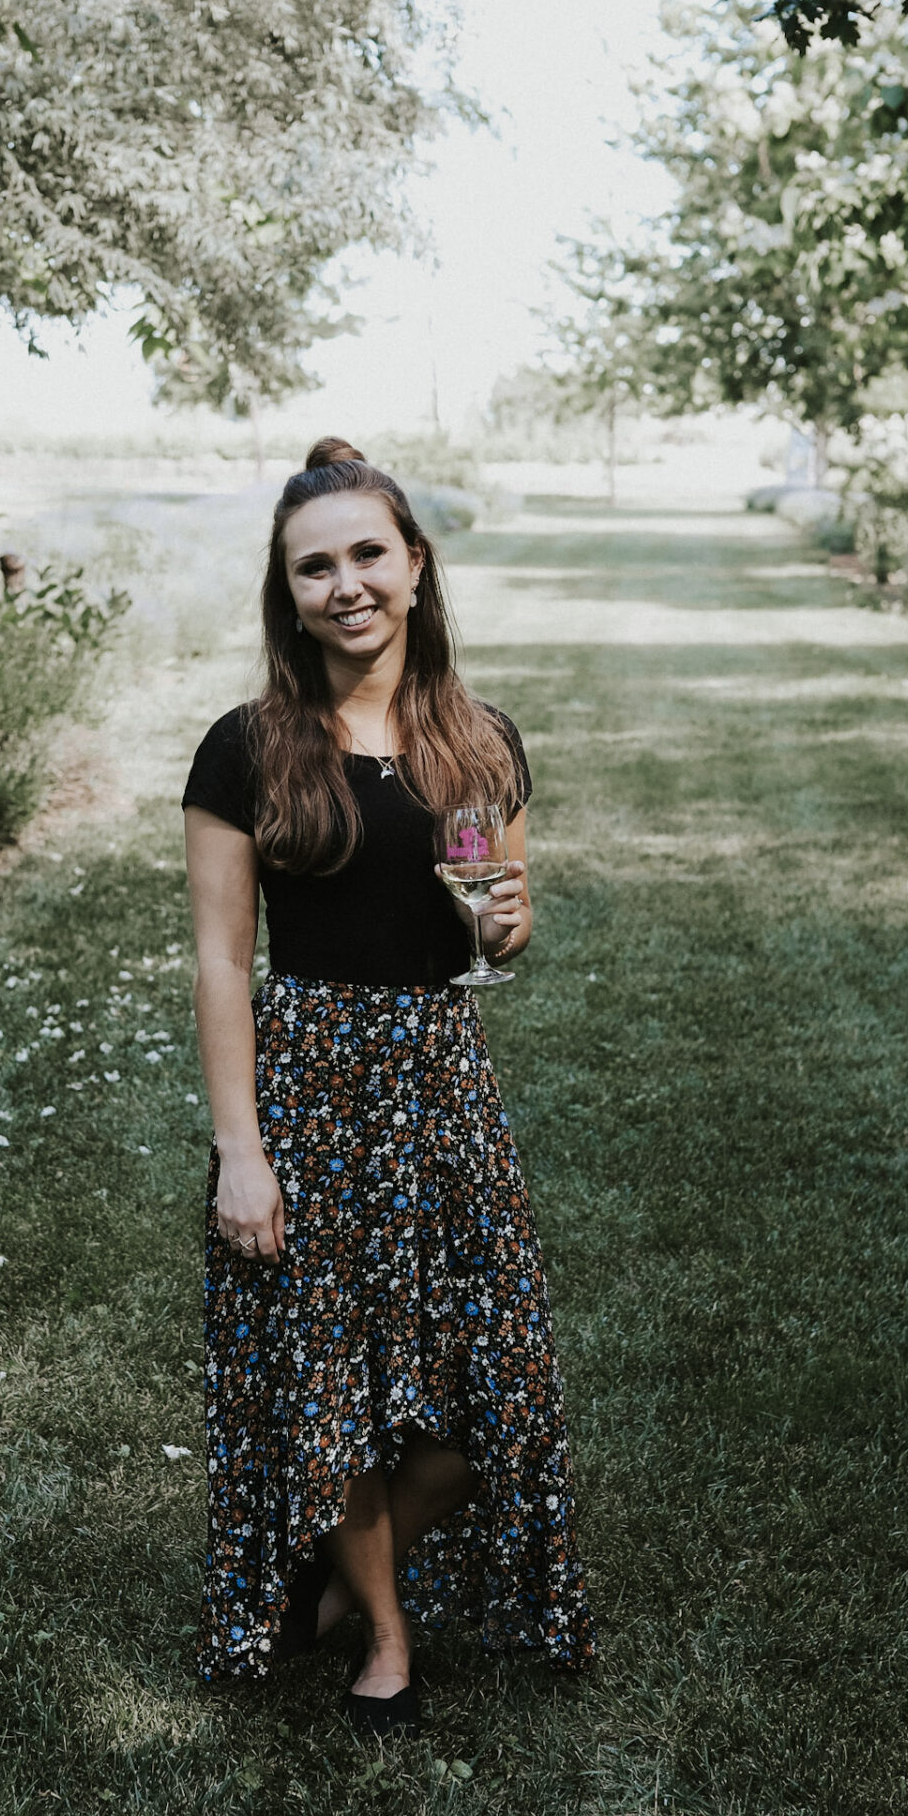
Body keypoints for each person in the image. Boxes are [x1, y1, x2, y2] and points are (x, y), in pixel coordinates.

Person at [181, 437, 595, 1739]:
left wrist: (508, 921)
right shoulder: (250, 748)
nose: (345, 584)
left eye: (368, 554)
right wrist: (241, 1152)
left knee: (496, 1389)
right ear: (288, 591)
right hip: (307, 1086)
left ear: (415, 565)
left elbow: (487, 933)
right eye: (316, 566)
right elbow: (219, 957)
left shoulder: (477, 746)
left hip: (438, 1087)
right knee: (332, 1384)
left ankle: (330, 1571)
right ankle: (388, 1644)